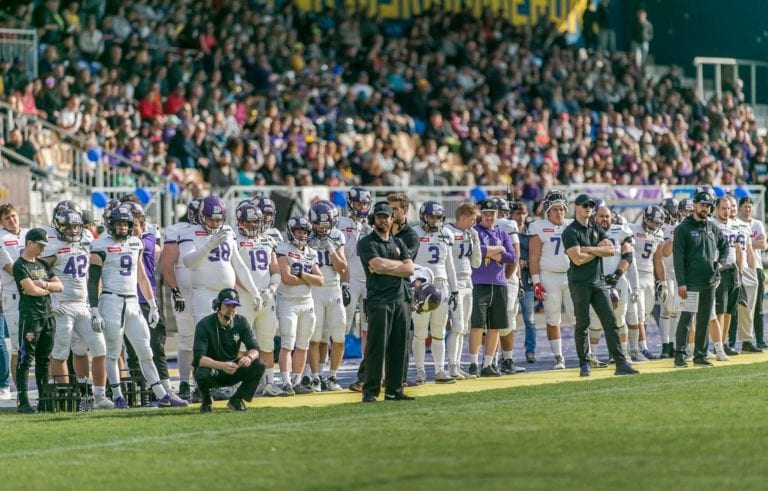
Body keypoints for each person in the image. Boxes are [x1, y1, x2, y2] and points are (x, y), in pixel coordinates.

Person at [89, 205, 188, 408]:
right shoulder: (100, 245)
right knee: (113, 351)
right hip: (111, 301)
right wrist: (94, 309)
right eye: (119, 224)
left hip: (133, 301)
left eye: (126, 224)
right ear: (110, 225)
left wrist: (152, 304)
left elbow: (141, 275)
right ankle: (117, 395)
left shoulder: (136, 243)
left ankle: (161, 393)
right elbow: (93, 280)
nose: (123, 228)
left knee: (145, 349)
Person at [40, 208, 113, 409]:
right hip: (61, 305)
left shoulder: (87, 241)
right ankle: (67, 398)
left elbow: (94, 274)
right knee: (61, 352)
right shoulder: (52, 245)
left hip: (83, 305)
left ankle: (98, 396)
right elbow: (38, 272)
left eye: (76, 227)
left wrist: (94, 303)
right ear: (59, 227)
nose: (73, 231)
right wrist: (50, 299)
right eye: (68, 227)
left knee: (100, 349)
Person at [561, 194, 638, 377]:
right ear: (576, 207)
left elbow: (611, 250)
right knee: (583, 323)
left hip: (598, 281)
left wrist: (587, 249)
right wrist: (597, 252)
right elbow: (577, 259)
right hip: (580, 282)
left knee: (610, 322)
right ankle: (584, 364)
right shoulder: (570, 231)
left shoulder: (595, 227)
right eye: (584, 205)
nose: (588, 207)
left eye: (590, 205)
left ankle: (620, 363)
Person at [357, 201, 415, 402]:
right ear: (374, 219)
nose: (383, 220)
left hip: (401, 300)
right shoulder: (366, 242)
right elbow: (375, 264)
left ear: (392, 219)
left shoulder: (398, 242)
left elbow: (410, 269)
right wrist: (397, 266)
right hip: (379, 300)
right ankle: (370, 391)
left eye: (387, 216)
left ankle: (394, 390)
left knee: (399, 347)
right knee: (376, 347)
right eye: (380, 216)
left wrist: (388, 267)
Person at [673, 189, 729, 368]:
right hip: (691, 284)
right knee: (687, 320)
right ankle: (680, 356)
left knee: (704, 320)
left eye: (708, 206)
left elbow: (725, 245)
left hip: (709, 282)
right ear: (694, 205)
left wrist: (720, 261)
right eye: (702, 205)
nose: (705, 209)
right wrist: (681, 283)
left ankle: (700, 355)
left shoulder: (712, 226)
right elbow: (678, 258)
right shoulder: (683, 228)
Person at [232, 202, 283, 396]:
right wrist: (252, 291)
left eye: (257, 221)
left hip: (266, 297)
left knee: (267, 342)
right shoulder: (235, 239)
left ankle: (268, 382)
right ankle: (237, 383)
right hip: (245, 297)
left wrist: (271, 288)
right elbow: (234, 272)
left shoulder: (268, 240)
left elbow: (275, 268)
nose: (254, 225)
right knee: (241, 345)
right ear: (241, 222)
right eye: (250, 222)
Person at [13, 228, 64, 413]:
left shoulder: (43, 264)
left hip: (48, 316)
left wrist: (44, 286)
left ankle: (44, 400)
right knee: (26, 358)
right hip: (31, 317)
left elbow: (60, 286)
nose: (43, 249)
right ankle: (23, 401)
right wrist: (44, 290)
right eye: (40, 245)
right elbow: (30, 290)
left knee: (44, 360)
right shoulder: (20, 265)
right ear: (29, 243)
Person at [193, 288, 266, 412]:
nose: (231, 310)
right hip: (213, 370)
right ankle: (206, 399)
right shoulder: (204, 325)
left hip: (233, 369)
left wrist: (248, 358)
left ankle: (236, 399)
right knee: (201, 372)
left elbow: (255, 349)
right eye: (227, 305)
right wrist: (222, 365)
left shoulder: (241, 322)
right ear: (218, 305)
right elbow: (199, 359)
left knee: (259, 364)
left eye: (234, 306)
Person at [275, 217, 324, 395]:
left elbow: (320, 281)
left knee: (303, 344)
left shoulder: (311, 252)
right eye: (299, 231)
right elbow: (286, 279)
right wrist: (308, 277)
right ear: (291, 232)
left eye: (305, 232)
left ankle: (296, 381)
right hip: (288, 301)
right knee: (287, 343)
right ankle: (286, 381)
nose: (302, 235)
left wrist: (302, 274)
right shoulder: (283, 248)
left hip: (307, 302)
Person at [468, 199, 516, 377]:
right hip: (479, 282)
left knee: (496, 325)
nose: (489, 217)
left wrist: (494, 252)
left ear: (497, 214)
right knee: (477, 325)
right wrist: (499, 250)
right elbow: (476, 251)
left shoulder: (502, 232)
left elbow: (512, 257)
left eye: (492, 213)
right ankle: (473, 363)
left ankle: (488, 363)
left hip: (499, 282)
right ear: (481, 213)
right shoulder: (474, 231)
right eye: (486, 213)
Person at [411, 200, 458, 384]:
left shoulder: (446, 233)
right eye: (432, 216)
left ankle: (440, 370)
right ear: (423, 216)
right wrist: (412, 283)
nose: (435, 220)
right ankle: (420, 371)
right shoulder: (414, 233)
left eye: (438, 217)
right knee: (420, 332)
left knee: (439, 331)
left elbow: (450, 265)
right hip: (421, 284)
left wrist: (454, 290)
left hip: (442, 284)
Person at [160, 198, 201, 400]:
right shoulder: (179, 230)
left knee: (209, 340)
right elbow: (167, 264)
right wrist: (175, 290)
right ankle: (184, 382)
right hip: (186, 292)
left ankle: (205, 382)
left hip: (209, 293)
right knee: (187, 339)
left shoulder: (219, 232)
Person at [528, 190, 573, 369]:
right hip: (549, 276)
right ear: (547, 210)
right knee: (553, 317)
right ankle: (559, 357)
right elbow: (533, 257)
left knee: (579, 316)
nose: (559, 212)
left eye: (562, 208)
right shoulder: (538, 227)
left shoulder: (572, 224)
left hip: (571, 276)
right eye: (555, 209)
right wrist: (536, 281)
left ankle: (586, 353)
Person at [307, 201, 347, 392]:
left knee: (338, 336)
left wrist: (331, 248)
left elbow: (341, 267)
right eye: (319, 225)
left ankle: (332, 376)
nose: (322, 229)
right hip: (314, 290)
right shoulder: (305, 236)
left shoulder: (337, 236)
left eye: (326, 224)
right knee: (315, 338)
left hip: (334, 288)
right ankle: (315, 377)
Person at [445, 203, 481, 379]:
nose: (475, 223)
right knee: (457, 326)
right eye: (473, 219)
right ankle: (452, 366)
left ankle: (457, 366)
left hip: (468, 281)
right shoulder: (448, 231)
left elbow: (476, 263)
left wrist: (477, 241)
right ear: (463, 217)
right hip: (455, 282)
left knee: (463, 328)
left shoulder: (470, 233)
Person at [626, 205, 666, 361]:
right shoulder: (632, 230)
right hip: (634, 276)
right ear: (644, 218)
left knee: (646, 315)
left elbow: (658, 259)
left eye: (657, 223)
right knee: (638, 314)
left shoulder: (659, 235)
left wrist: (662, 281)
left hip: (649, 277)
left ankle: (640, 346)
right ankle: (641, 349)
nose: (654, 226)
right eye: (652, 222)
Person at [0, 203, 29, 387]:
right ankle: (20, 393)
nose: (12, 220)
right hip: (14, 295)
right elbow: (12, 269)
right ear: (1, 222)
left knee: (40, 345)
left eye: (13, 216)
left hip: (34, 294)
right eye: (7, 218)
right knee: (18, 348)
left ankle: (44, 388)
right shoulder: (1, 239)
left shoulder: (29, 234)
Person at [510, 201, 538, 364]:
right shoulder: (508, 231)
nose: (520, 217)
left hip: (527, 280)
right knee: (508, 320)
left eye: (523, 213)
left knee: (530, 319)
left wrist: (525, 263)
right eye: (517, 213)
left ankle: (530, 350)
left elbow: (537, 255)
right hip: (511, 279)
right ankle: (507, 353)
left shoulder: (531, 232)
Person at [738, 196, 767, 348]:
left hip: (756, 266)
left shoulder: (757, 224)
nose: (748, 209)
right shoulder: (736, 224)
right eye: (745, 206)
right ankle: (741, 341)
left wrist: (747, 244)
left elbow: (763, 244)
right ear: (740, 208)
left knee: (758, 307)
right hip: (741, 267)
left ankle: (760, 340)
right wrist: (749, 245)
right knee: (741, 306)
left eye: (750, 206)